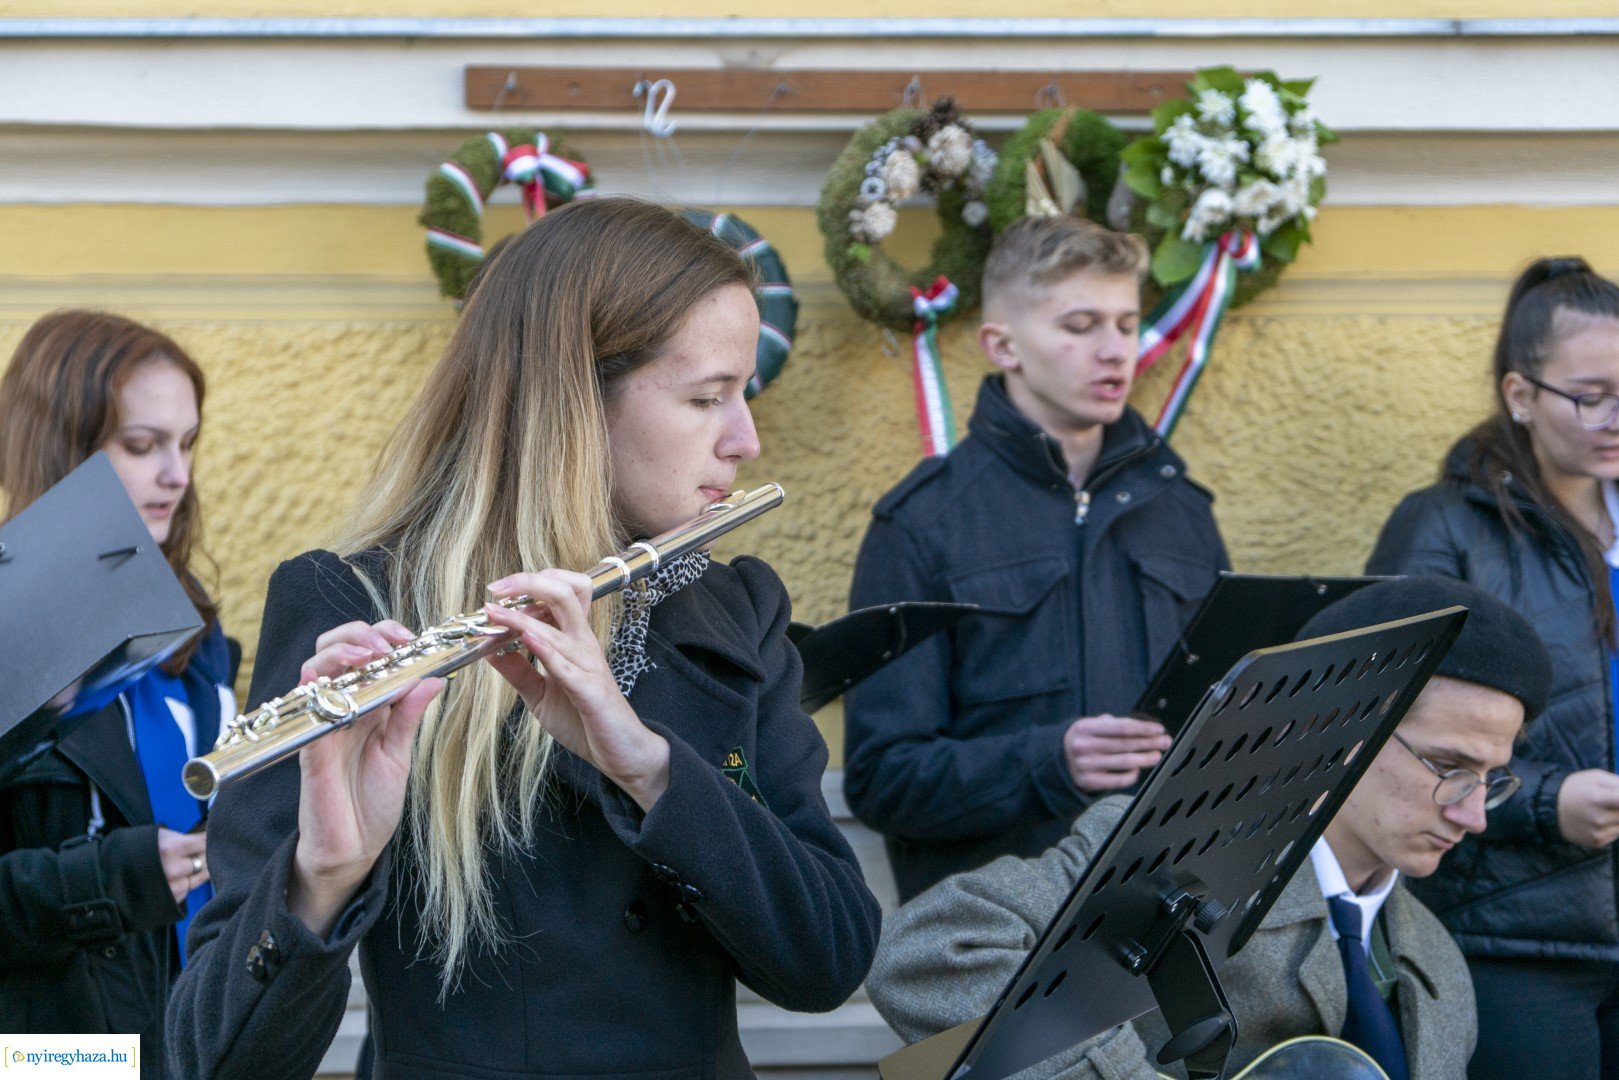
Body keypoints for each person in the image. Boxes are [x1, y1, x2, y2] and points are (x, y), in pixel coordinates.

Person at [165, 198, 881, 1080]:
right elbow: (210, 1060)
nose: (746, 440)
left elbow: (829, 961)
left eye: (744, 394)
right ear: (574, 400)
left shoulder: (733, 610)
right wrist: (321, 879)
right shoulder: (351, 605)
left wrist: (649, 768)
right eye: (706, 398)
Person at [866, 576, 1552, 1080]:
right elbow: (929, 951)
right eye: (1446, 765)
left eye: (1491, 778)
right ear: (1332, 731)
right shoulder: (1167, 858)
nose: (1473, 813)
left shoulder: (1437, 969)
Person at [843, 215, 1229, 902]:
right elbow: (881, 780)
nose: (1114, 351)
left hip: (1166, 927)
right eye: (1079, 326)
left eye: (1123, 323)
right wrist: (1047, 761)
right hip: (996, 939)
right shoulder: (921, 524)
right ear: (1002, 344)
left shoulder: (1182, 511)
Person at [1368, 257, 1619, 1080]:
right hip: (1509, 936)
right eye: (1589, 395)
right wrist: (1547, 804)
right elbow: (1377, 736)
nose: (1614, 416)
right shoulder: (1444, 526)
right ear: (1518, 395)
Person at [0, 311, 233, 1077]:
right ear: (60, 446)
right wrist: (108, 880)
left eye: (187, 443)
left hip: (195, 1034)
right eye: (141, 445)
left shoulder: (196, 641)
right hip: (50, 1055)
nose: (177, 474)